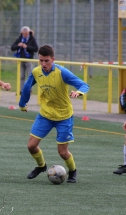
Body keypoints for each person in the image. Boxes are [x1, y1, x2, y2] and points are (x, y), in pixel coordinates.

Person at [18, 45, 89, 183]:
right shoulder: (36, 71)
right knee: (31, 145)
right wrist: (22, 103)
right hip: (45, 114)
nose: (43, 64)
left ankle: (73, 171)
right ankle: (41, 166)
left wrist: (78, 92)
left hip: (64, 116)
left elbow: (84, 85)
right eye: (41, 60)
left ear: (53, 59)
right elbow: (27, 86)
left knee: (62, 152)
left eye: (46, 61)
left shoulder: (62, 72)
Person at [11, 26, 39, 94]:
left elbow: (36, 49)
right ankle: (21, 90)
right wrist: (18, 45)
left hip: (29, 60)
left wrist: (27, 47)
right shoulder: (20, 39)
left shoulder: (32, 39)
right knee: (21, 76)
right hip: (20, 60)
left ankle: (29, 90)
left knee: (30, 75)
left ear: (29, 33)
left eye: (26, 33)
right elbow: (12, 47)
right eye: (23, 33)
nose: (24, 35)